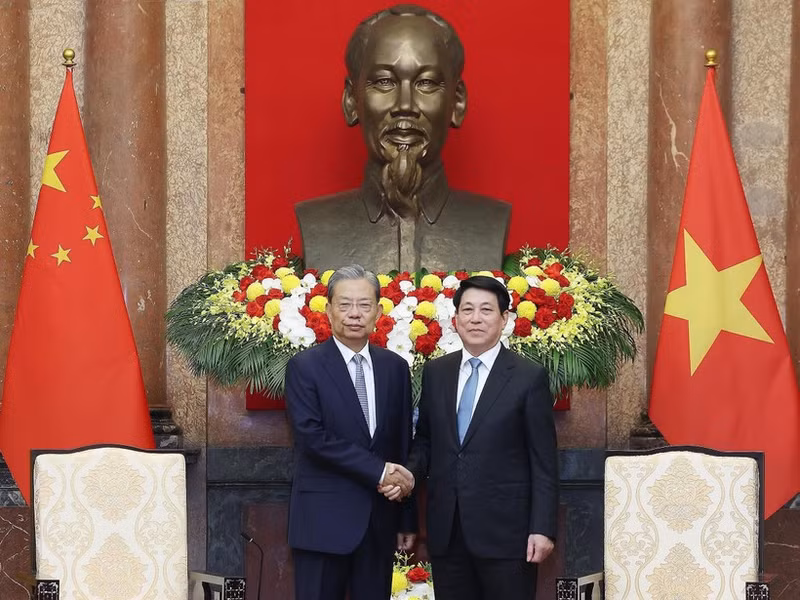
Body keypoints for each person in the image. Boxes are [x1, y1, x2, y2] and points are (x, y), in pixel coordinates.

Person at [295, 4, 511, 274]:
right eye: (384, 82)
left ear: (457, 103)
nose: (405, 105)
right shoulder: (317, 223)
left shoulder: (491, 221)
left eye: (426, 83)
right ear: (352, 101)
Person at [385, 275, 559, 600]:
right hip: (447, 532)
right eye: (467, 310)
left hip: (508, 534)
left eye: (486, 310)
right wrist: (408, 474)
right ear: (455, 320)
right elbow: (425, 440)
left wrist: (543, 527)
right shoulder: (437, 373)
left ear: (504, 319)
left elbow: (544, 460)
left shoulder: (527, 377)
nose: (475, 318)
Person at [285, 264, 417, 600]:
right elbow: (312, 438)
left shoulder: (396, 369)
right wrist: (379, 470)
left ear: (378, 311)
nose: (354, 314)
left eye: (364, 305)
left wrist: (406, 516)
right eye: (344, 305)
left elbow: (402, 445)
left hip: (379, 523)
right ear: (328, 311)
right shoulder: (305, 367)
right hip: (322, 523)